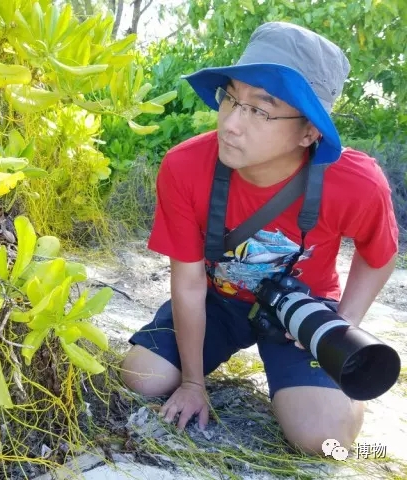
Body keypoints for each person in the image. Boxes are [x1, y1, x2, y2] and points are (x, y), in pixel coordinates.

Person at [119, 21, 399, 456]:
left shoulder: (356, 183)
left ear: (309, 131)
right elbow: (189, 283)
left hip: (297, 311)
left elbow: (379, 254)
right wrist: (193, 383)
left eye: (260, 110)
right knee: (142, 377)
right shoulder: (185, 166)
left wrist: (343, 325)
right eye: (231, 98)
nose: (231, 124)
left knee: (323, 440)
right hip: (216, 300)